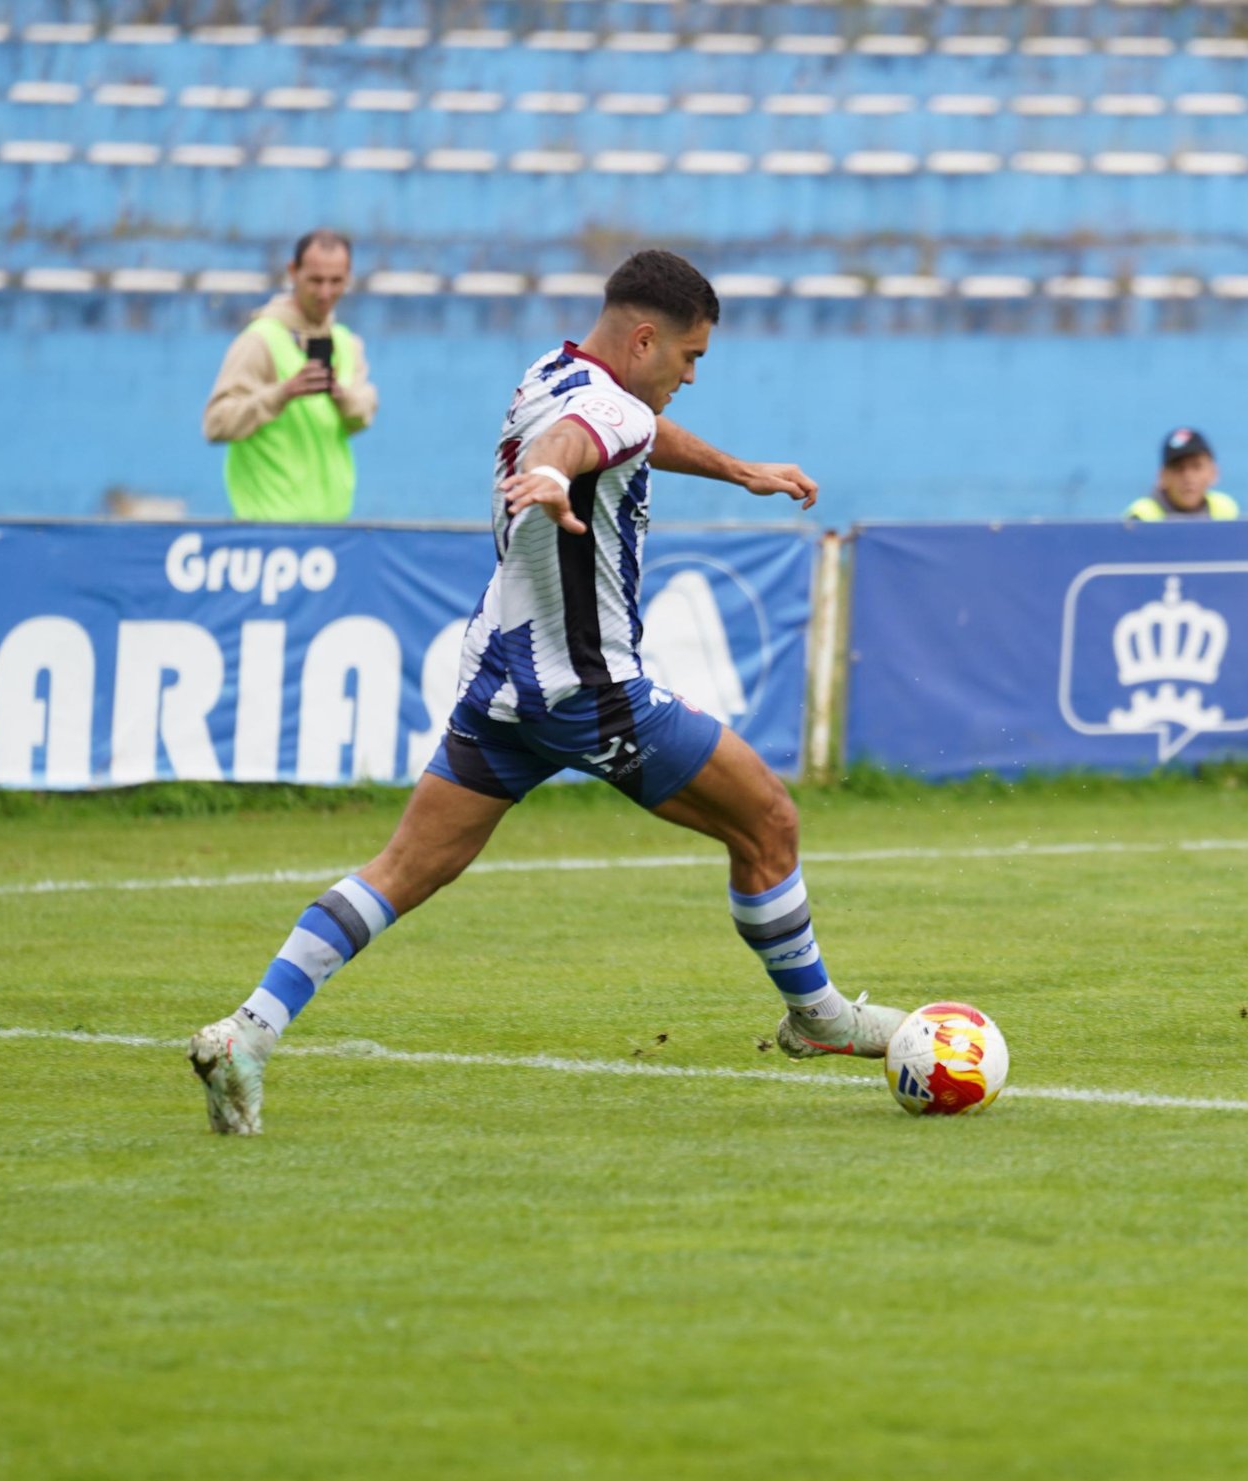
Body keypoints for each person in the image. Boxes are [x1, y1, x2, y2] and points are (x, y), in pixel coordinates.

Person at [189, 250, 909, 1134]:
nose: (689, 377)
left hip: (501, 677)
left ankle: (246, 1034)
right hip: (588, 691)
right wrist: (554, 473)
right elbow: (590, 437)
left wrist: (739, 470)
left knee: (402, 871)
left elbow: (622, 429)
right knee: (769, 820)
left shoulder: (554, 372)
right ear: (645, 339)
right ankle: (819, 1018)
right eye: (689, 359)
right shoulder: (600, 411)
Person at [202, 229, 378, 522]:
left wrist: (340, 396)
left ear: (348, 277)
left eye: (336, 281)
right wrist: (281, 394)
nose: (325, 293)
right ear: (293, 272)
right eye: (316, 280)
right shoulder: (260, 340)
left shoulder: (347, 344)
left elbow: (362, 416)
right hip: (269, 531)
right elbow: (216, 424)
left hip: (332, 532)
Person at [1125, 427, 1240, 521]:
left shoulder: (1226, 511)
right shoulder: (1141, 518)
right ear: (1162, 477)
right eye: (1178, 468)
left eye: (1196, 467)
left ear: (1214, 473)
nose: (1188, 477)